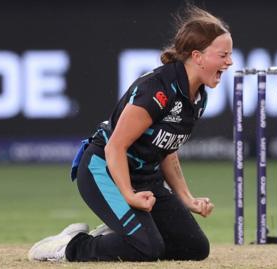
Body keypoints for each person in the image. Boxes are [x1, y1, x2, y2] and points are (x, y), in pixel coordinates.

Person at [28, 5, 233, 262]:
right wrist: (128, 194)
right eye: (223, 55)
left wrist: (187, 199)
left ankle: (124, 236)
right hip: (103, 169)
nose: (230, 62)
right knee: (147, 249)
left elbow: (166, 151)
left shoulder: (198, 97)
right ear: (198, 56)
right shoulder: (157, 89)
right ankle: (68, 246)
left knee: (195, 248)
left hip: (145, 177)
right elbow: (115, 147)